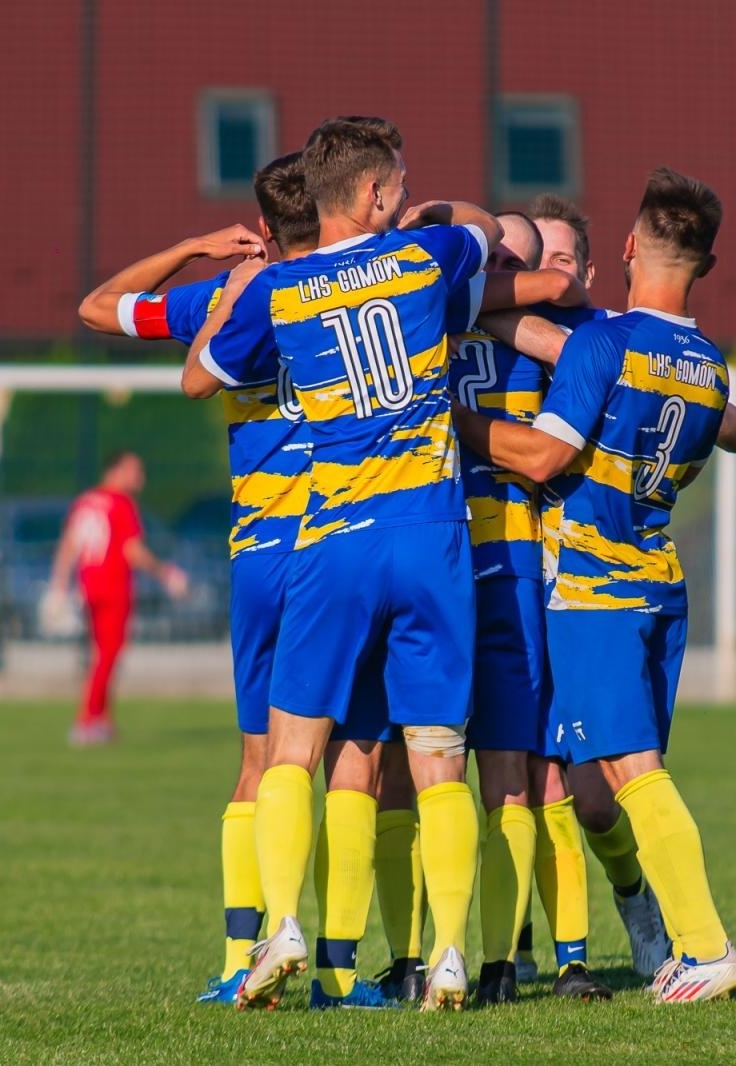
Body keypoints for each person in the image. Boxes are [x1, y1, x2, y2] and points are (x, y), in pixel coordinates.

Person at [191, 117, 501, 1012]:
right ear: (374, 196)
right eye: (399, 184)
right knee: (438, 758)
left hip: (334, 538)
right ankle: (446, 956)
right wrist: (434, 213)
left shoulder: (277, 289)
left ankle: (280, 927)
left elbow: (207, 367)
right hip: (434, 534)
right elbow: (492, 231)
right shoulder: (429, 255)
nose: (407, 196)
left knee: (293, 747)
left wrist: (240, 284)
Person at [455, 167, 736, 1003]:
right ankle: (656, 923)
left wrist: (451, 418)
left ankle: (704, 947)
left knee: (631, 771)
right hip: (659, 587)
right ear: (706, 266)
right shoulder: (709, 366)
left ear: (624, 249)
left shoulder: (605, 344)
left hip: (596, 589)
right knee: (596, 791)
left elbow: (545, 457)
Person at [452, 209, 611, 1006]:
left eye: (558, 255)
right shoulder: (458, 309)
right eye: (526, 253)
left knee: (541, 778)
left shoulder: (583, 333)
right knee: (485, 776)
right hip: (484, 561)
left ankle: (555, 957)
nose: (543, 267)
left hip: (533, 564)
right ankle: (491, 956)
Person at [46, 451, 187, 747]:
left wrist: (59, 587)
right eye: (134, 470)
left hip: (87, 585)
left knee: (100, 655)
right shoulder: (121, 503)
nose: (140, 478)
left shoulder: (86, 500)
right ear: (117, 470)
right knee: (108, 655)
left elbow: (69, 544)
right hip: (113, 586)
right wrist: (165, 573)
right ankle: (86, 721)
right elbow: (132, 551)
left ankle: (102, 720)